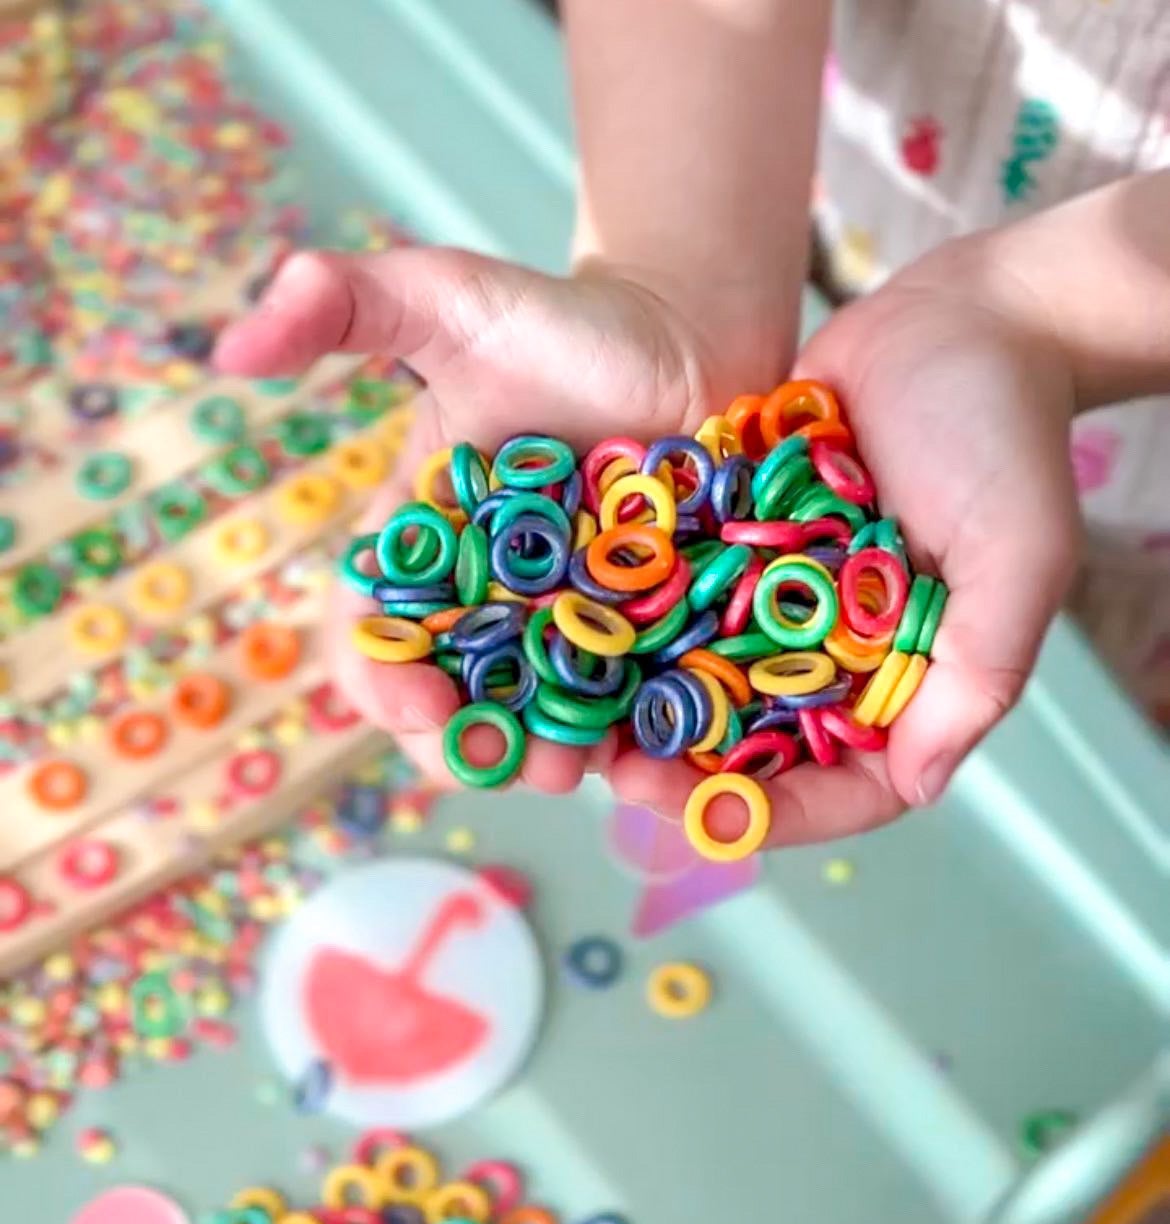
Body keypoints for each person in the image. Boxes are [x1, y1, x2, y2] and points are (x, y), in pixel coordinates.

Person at [216, 0, 1170, 848]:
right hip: (869, 227)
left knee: (1114, 672)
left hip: (1144, 468)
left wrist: (1045, 320)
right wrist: (679, 275)